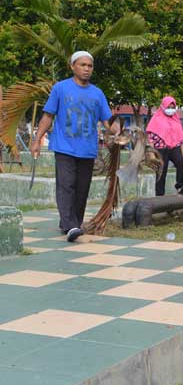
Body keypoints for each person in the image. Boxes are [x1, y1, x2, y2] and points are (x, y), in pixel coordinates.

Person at [31, 51, 113, 242]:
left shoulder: (97, 93)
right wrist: (37, 140)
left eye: (89, 66)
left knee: (82, 189)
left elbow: (108, 121)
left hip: (87, 148)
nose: (86, 69)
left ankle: (70, 223)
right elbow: (48, 116)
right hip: (64, 146)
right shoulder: (60, 88)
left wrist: (118, 130)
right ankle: (71, 226)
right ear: (72, 66)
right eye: (82, 65)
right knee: (66, 185)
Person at [146, 96, 183, 196]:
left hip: (174, 148)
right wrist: (151, 153)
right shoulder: (156, 119)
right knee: (161, 172)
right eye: (168, 107)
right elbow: (150, 137)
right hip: (161, 149)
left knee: (182, 164)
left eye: (172, 107)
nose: (171, 109)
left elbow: (180, 138)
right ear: (163, 106)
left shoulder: (176, 120)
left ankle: (180, 186)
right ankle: (159, 195)